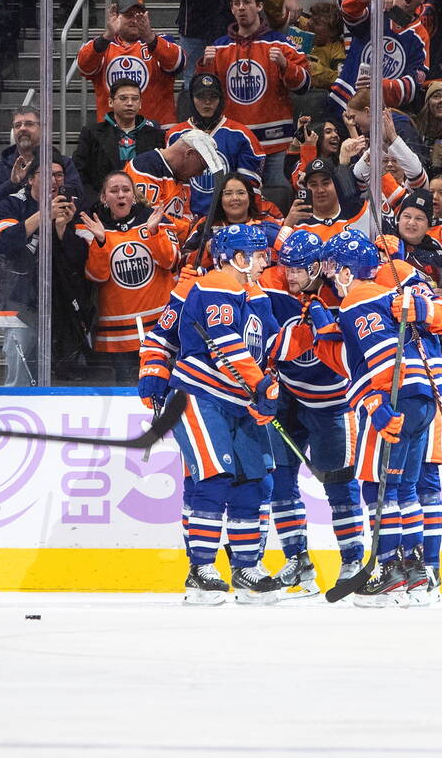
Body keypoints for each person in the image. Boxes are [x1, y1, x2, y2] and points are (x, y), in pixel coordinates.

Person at [318, 228, 442, 606]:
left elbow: (380, 356)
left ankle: (389, 569)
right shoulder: (403, 294)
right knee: (407, 489)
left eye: (334, 268)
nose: (330, 275)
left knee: (378, 490)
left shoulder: (359, 297)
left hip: (398, 398)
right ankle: (416, 572)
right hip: (428, 398)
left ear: (347, 269)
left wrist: (377, 405)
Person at [162, 224, 281, 604]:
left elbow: (272, 345)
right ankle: (201, 570)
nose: (265, 260)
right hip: (198, 395)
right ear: (239, 258)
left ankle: (247, 567)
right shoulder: (217, 283)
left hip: (238, 401)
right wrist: (261, 385)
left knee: (255, 483)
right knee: (213, 480)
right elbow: (225, 343)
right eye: (258, 254)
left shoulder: (254, 293)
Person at [259, 229, 363, 591]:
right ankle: (297, 561)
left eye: (298, 269)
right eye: (286, 267)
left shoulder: (342, 293)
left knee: (339, 484)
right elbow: (264, 339)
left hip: (334, 405)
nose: (289, 275)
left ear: (318, 267)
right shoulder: (271, 286)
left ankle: (351, 561)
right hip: (287, 398)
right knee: (280, 481)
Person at [0, 156, 90, 385]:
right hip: (19, 302)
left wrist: (63, 229)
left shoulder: (73, 206)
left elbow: (81, 260)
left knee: (62, 379)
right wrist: (43, 215)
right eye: (46, 174)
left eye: (58, 175)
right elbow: (4, 243)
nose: (54, 180)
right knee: (20, 377)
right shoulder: (11, 203)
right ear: (30, 180)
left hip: (62, 306)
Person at [201, 0, 309, 185]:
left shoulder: (281, 43)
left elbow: (304, 85)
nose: (241, 7)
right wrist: (205, 66)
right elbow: (206, 96)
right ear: (232, 9)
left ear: (259, 6)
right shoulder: (219, 47)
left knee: (279, 200)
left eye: (247, 2)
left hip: (276, 144)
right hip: (237, 144)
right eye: (236, 3)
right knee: (241, 205)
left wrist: (286, 65)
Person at [79, 170, 179, 382]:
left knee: (163, 391)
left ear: (134, 194)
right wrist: (101, 242)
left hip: (160, 327)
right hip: (118, 333)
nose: (121, 195)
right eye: (114, 191)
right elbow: (96, 276)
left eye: (126, 190)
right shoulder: (92, 227)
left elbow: (170, 261)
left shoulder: (155, 219)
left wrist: (153, 233)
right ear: (104, 198)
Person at [77, 0, 185, 128]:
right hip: (112, 131)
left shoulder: (162, 41)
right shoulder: (101, 45)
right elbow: (83, 66)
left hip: (156, 129)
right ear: (116, 17)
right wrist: (108, 36)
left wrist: (149, 37)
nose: (134, 20)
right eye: (128, 15)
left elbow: (177, 63)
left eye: (139, 16)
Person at [328, 0, 430, 113]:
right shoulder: (375, 10)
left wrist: (380, 85)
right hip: (344, 99)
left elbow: (413, 85)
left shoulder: (420, 37)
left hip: (378, 115)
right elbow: (348, 10)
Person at [166, 73, 264, 219]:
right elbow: (171, 185)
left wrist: (248, 220)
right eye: (201, 97)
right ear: (191, 99)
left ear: (221, 99)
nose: (207, 102)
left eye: (213, 97)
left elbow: (249, 188)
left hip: (230, 220)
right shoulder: (175, 135)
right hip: (187, 220)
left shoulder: (242, 135)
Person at [0, 106, 82, 220]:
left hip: (55, 231)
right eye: (17, 125)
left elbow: (77, 197)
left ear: (42, 130)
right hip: (12, 233)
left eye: (29, 124)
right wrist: (12, 184)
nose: (22, 128)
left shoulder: (63, 164)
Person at [71, 78, 164, 202]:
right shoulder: (91, 133)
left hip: (146, 204)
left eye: (135, 99)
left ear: (140, 103)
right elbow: (79, 172)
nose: (130, 103)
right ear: (110, 102)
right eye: (123, 98)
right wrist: (97, 200)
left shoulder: (156, 136)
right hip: (100, 205)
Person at [123, 128, 217, 222]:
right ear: (189, 154)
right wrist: (185, 227)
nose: (200, 174)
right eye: (202, 167)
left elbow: (186, 217)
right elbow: (149, 220)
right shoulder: (144, 166)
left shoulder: (183, 175)